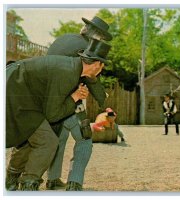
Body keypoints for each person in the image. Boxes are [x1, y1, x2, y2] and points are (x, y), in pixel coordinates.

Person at [5, 38, 111, 191]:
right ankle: (28, 185)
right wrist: (75, 97)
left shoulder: (73, 68)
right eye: (102, 65)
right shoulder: (68, 73)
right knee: (47, 141)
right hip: (17, 92)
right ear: (96, 65)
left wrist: (78, 92)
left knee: (35, 137)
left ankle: (15, 181)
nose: (101, 70)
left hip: (24, 94)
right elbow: (53, 114)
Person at [45, 16, 113, 191]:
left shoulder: (63, 39)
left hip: (47, 101)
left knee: (60, 138)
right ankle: (74, 182)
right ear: (97, 36)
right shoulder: (87, 49)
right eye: (102, 39)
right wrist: (102, 98)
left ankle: (52, 179)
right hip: (69, 102)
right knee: (84, 139)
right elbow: (91, 77)